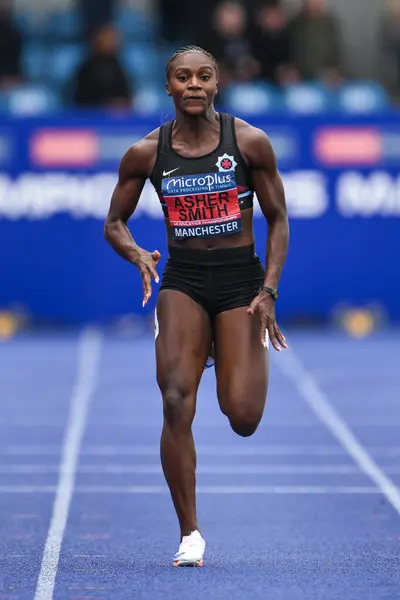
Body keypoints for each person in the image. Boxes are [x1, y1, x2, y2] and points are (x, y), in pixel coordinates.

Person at [104, 45, 289, 567]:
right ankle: (190, 533)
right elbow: (113, 222)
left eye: (203, 77)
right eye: (182, 77)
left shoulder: (249, 143)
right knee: (175, 399)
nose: (192, 85)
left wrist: (268, 290)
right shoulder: (145, 153)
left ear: (216, 84)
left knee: (243, 415)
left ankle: (222, 349)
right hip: (183, 281)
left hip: (239, 284)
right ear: (168, 87)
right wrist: (137, 252)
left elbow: (278, 219)